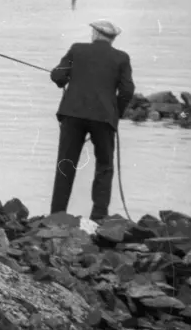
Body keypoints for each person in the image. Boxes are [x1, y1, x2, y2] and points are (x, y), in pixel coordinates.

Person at [49, 19, 135, 221]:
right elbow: (127, 91)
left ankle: (56, 215)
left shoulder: (77, 50)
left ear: (95, 34)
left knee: (66, 164)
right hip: (104, 118)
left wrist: (64, 77)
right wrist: (117, 113)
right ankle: (98, 216)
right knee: (105, 166)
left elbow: (58, 76)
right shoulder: (121, 58)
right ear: (112, 39)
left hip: (73, 115)